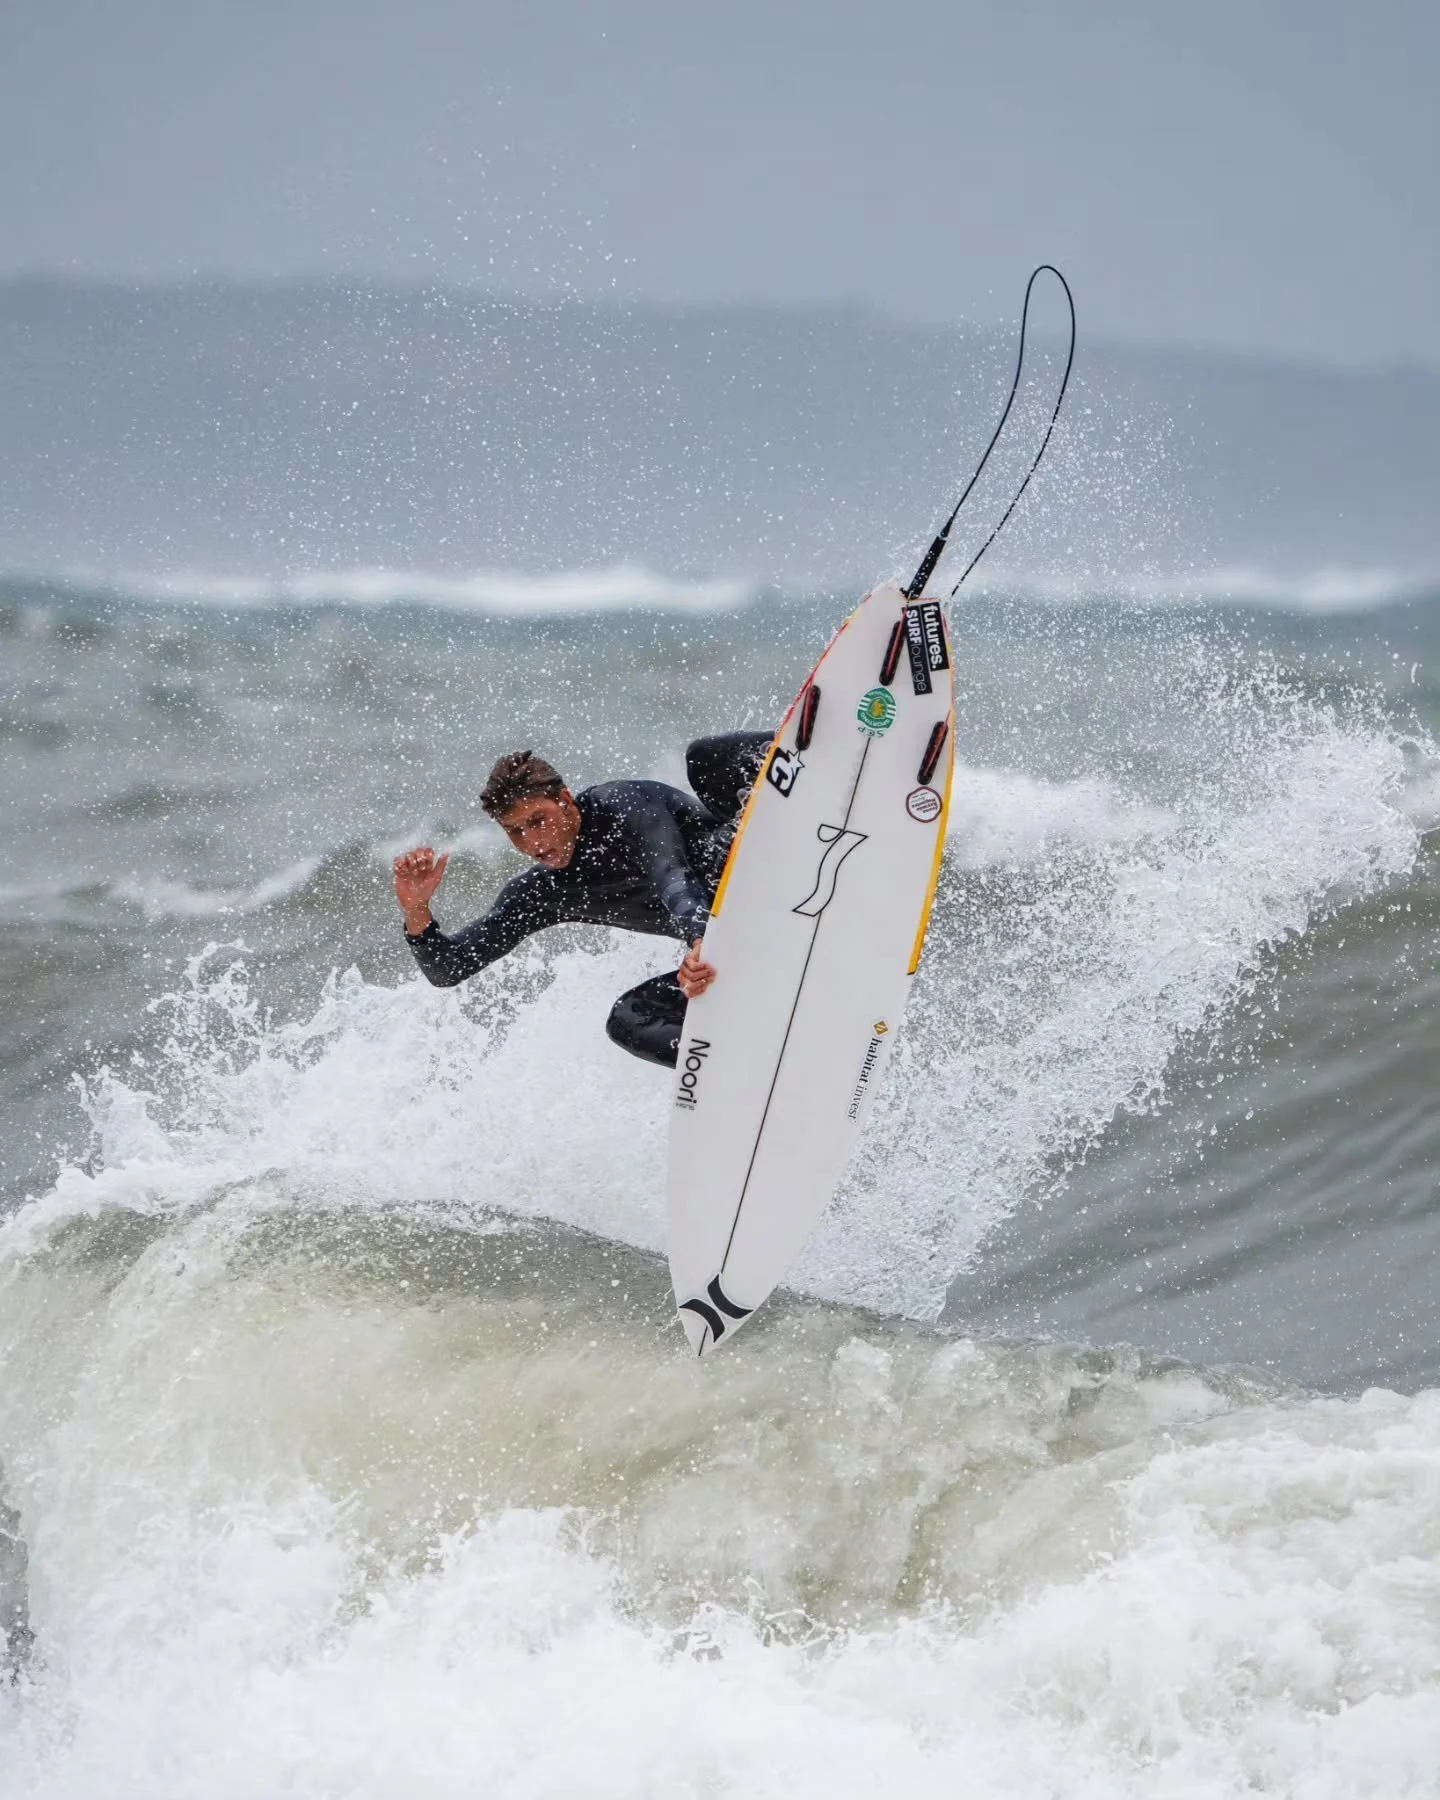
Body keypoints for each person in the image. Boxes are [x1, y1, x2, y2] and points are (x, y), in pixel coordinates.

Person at [393, 734, 771, 1067]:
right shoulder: (544, 892)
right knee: (630, 1018)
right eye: (515, 831)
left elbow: (671, 874)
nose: (532, 841)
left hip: (761, 873)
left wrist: (700, 938)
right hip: (734, 947)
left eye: (537, 820)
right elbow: (450, 968)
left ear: (564, 800)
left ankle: (804, 769)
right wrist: (416, 910)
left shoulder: (621, 806)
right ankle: (747, 1067)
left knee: (705, 758)